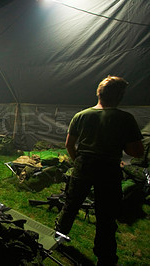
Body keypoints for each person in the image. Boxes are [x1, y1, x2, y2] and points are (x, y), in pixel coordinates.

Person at [55, 76, 144, 265]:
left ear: (99, 93)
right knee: (106, 214)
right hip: (109, 170)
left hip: (83, 166)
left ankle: (57, 238)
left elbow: (70, 144)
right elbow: (136, 151)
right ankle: (105, 257)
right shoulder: (125, 118)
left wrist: (78, 161)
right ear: (119, 96)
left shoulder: (81, 115)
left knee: (70, 206)